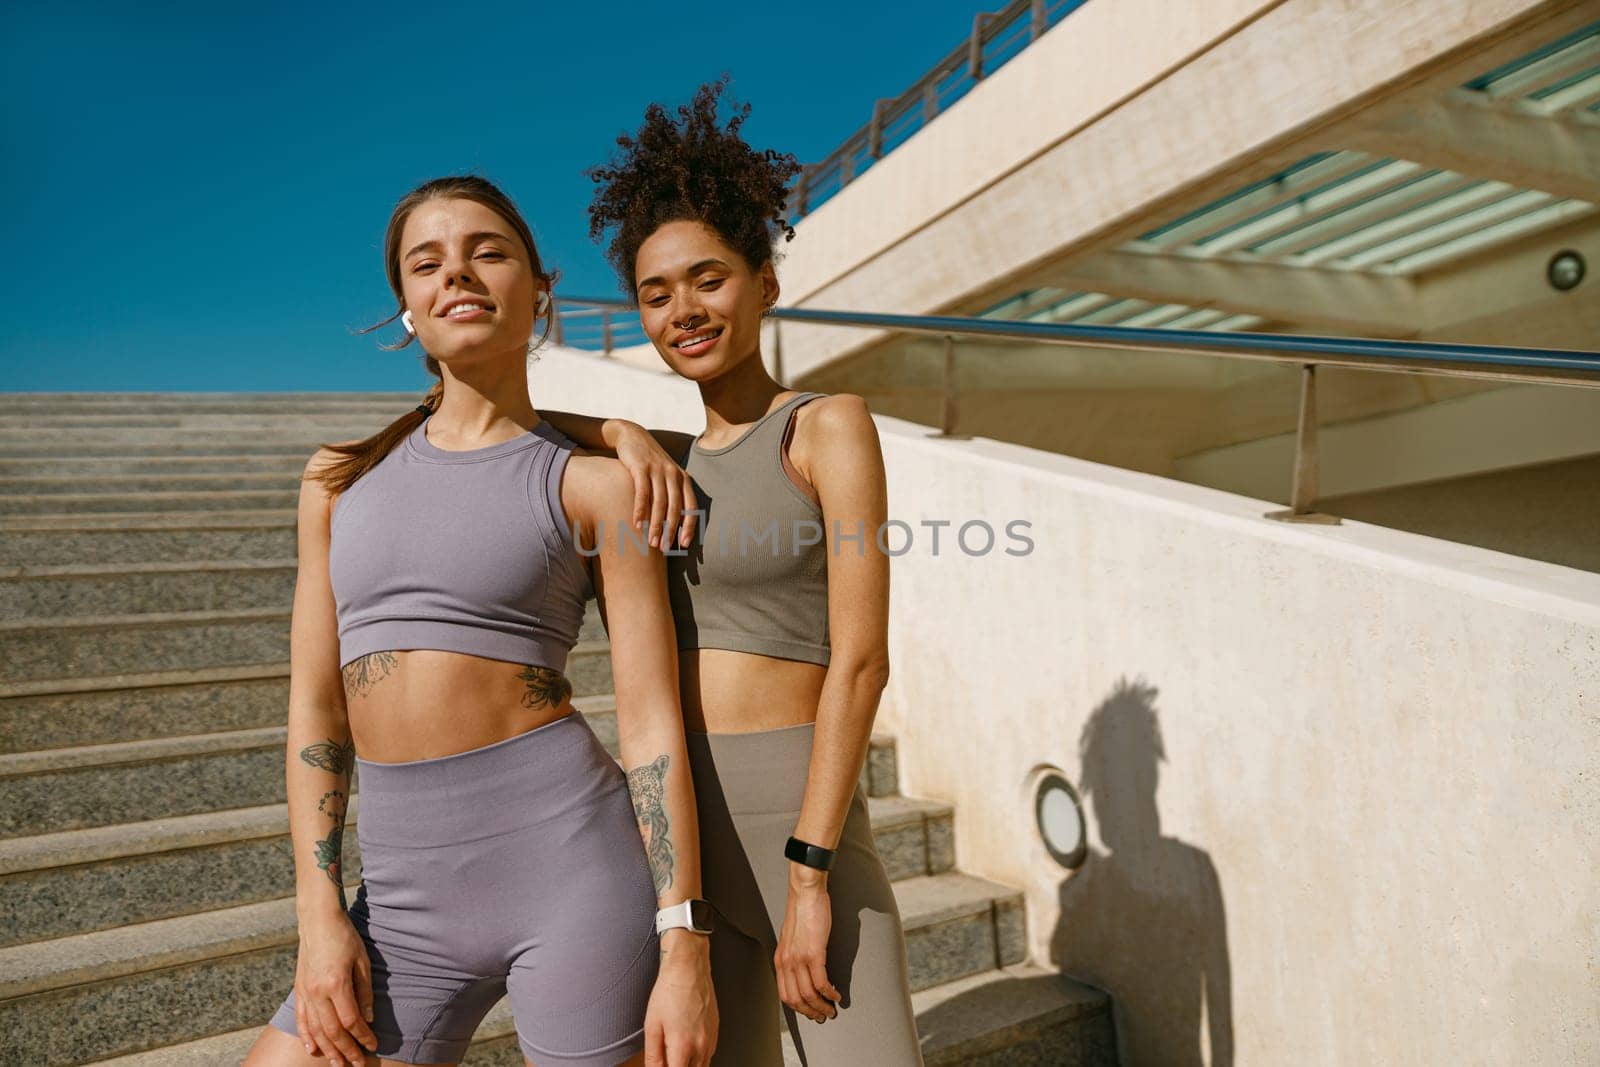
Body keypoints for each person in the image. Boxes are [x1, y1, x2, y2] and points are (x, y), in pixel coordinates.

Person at [242, 175, 717, 1067]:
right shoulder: (337, 484)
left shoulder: (597, 485)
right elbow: (315, 709)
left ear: (540, 291)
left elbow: (651, 722)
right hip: (401, 898)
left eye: (488, 252)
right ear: (408, 311)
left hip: (574, 872)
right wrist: (319, 913)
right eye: (429, 263)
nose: (457, 274)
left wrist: (682, 940)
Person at [541, 79, 923, 1066]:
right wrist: (623, 427)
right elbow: (522, 422)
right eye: (656, 293)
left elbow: (862, 661)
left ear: (764, 281)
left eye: (708, 279)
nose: (684, 310)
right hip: (686, 843)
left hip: (803, 821)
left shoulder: (824, 427)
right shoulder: (662, 454)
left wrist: (810, 876)